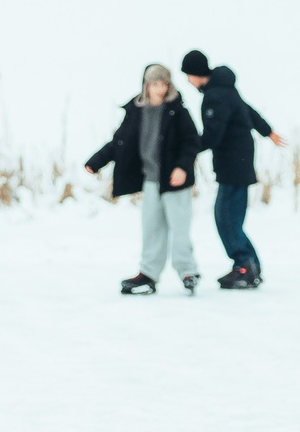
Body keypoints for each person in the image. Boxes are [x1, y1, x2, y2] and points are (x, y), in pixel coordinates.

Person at [85, 63, 204, 296]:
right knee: (151, 228)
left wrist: (182, 167)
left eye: (164, 84)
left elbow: (192, 142)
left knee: (180, 229)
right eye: (155, 84)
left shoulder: (178, 111)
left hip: (175, 181)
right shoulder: (136, 111)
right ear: (146, 86)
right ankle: (148, 274)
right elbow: (119, 142)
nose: (160, 89)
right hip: (150, 181)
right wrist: (97, 161)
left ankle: (188, 271)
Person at [180, 49, 285, 290]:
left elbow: (212, 136)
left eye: (188, 75)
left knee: (225, 218)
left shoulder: (215, 95)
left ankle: (245, 266)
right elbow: (248, 110)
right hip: (238, 162)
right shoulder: (225, 89)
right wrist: (267, 131)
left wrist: (186, 149)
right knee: (228, 217)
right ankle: (247, 265)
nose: (188, 81)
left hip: (233, 164)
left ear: (196, 73)